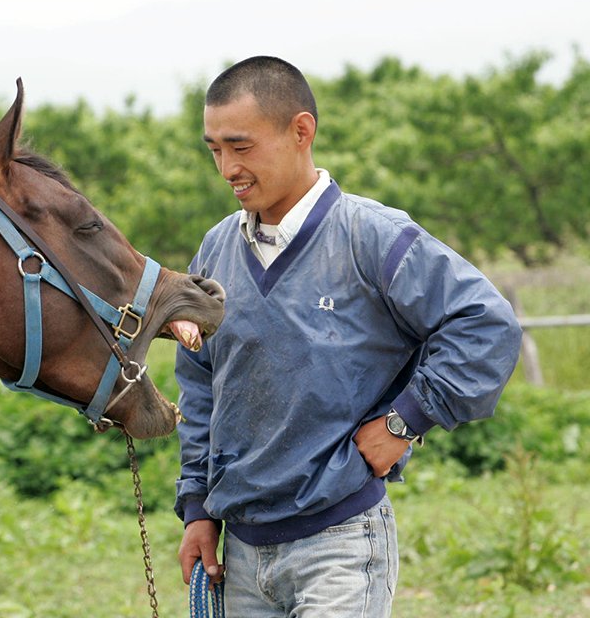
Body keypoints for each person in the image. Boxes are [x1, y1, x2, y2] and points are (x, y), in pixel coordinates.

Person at [173, 56, 522, 617]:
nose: (225, 168)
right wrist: (197, 508)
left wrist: (406, 420)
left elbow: (486, 323)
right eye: (213, 149)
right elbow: (200, 385)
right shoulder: (214, 251)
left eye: (240, 147)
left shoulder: (372, 237)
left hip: (340, 544)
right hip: (239, 553)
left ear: (301, 131)